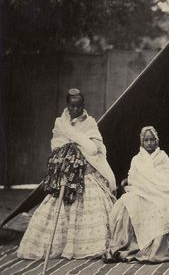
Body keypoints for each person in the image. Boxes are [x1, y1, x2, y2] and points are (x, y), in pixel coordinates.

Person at [17, 88, 116, 260]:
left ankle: (87, 247)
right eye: (72, 106)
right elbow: (56, 145)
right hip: (66, 171)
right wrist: (70, 150)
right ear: (67, 105)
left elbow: (94, 148)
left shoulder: (90, 122)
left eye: (78, 106)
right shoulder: (60, 123)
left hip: (86, 170)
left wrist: (75, 145)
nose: (75, 110)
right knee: (58, 205)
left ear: (83, 105)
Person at [104, 126, 169, 263]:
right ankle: (126, 245)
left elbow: (167, 179)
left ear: (156, 141)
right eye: (146, 140)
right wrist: (143, 187)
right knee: (126, 204)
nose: (149, 143)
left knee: (166, 205)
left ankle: (154, 248)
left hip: (161, 192)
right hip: (141, 192)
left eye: (152, 140)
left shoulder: (163, 157)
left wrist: (153, 188)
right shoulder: (136, 159)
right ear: (142, 142)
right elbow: (132, 179)